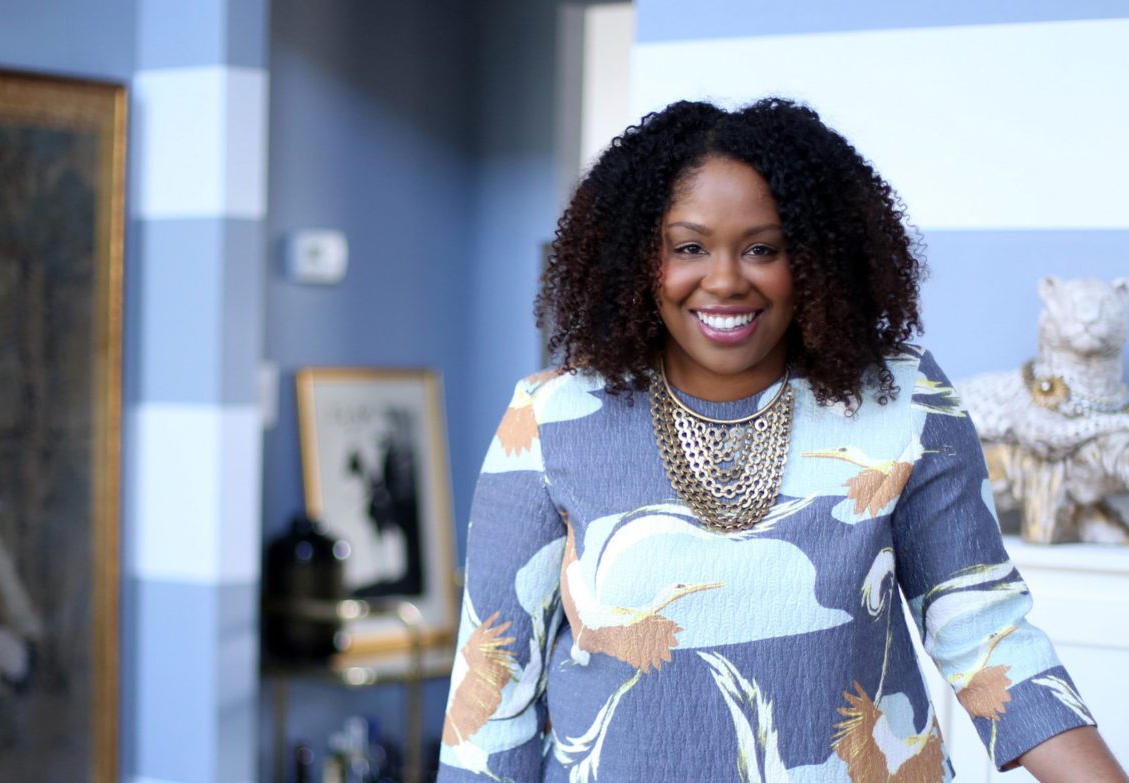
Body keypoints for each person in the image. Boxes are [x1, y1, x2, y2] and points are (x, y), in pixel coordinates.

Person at [437, 98, 1126, 782]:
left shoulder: (901, 398)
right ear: (638, 258)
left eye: (763, 249)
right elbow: (491, 692)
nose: (725, 280)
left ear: (818, 257)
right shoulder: (552, 416)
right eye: (689, 247)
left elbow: (987, 634)